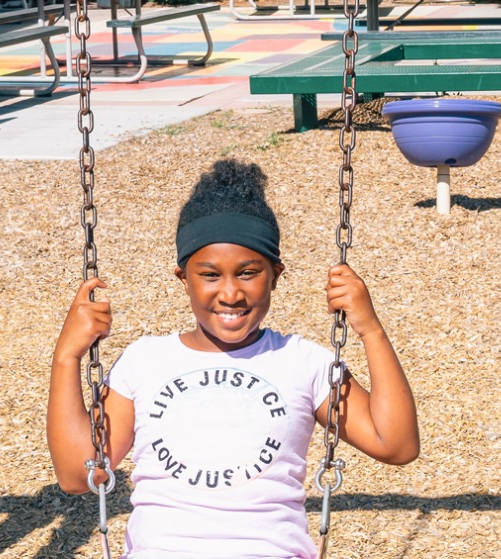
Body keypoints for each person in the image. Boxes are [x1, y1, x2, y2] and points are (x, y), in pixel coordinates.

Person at [46, 160, 420, 559]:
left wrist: (371, 330)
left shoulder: (302, 362)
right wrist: (67, 356)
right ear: (183, 278)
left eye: (247, 273)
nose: (229, 293)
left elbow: (395, 444)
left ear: (275, 275)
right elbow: (78, 474)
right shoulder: (145, 361)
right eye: (210, 275)